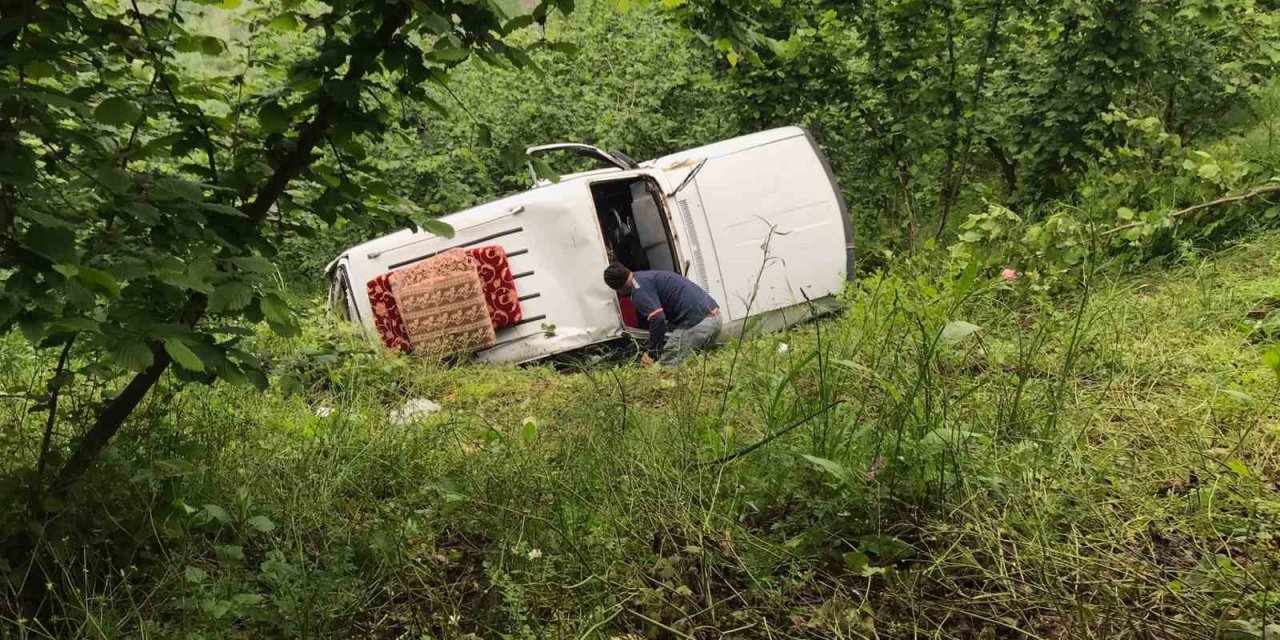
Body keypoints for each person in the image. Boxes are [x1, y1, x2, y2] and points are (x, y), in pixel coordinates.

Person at [602, 262, 722, 368]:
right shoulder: (645, 277)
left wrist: (652, 352)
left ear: (618, 289)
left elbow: (657, 318)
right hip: (715, 317)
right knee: (695, 362)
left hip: (701, 323)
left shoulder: (638, 290)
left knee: (667, 365)